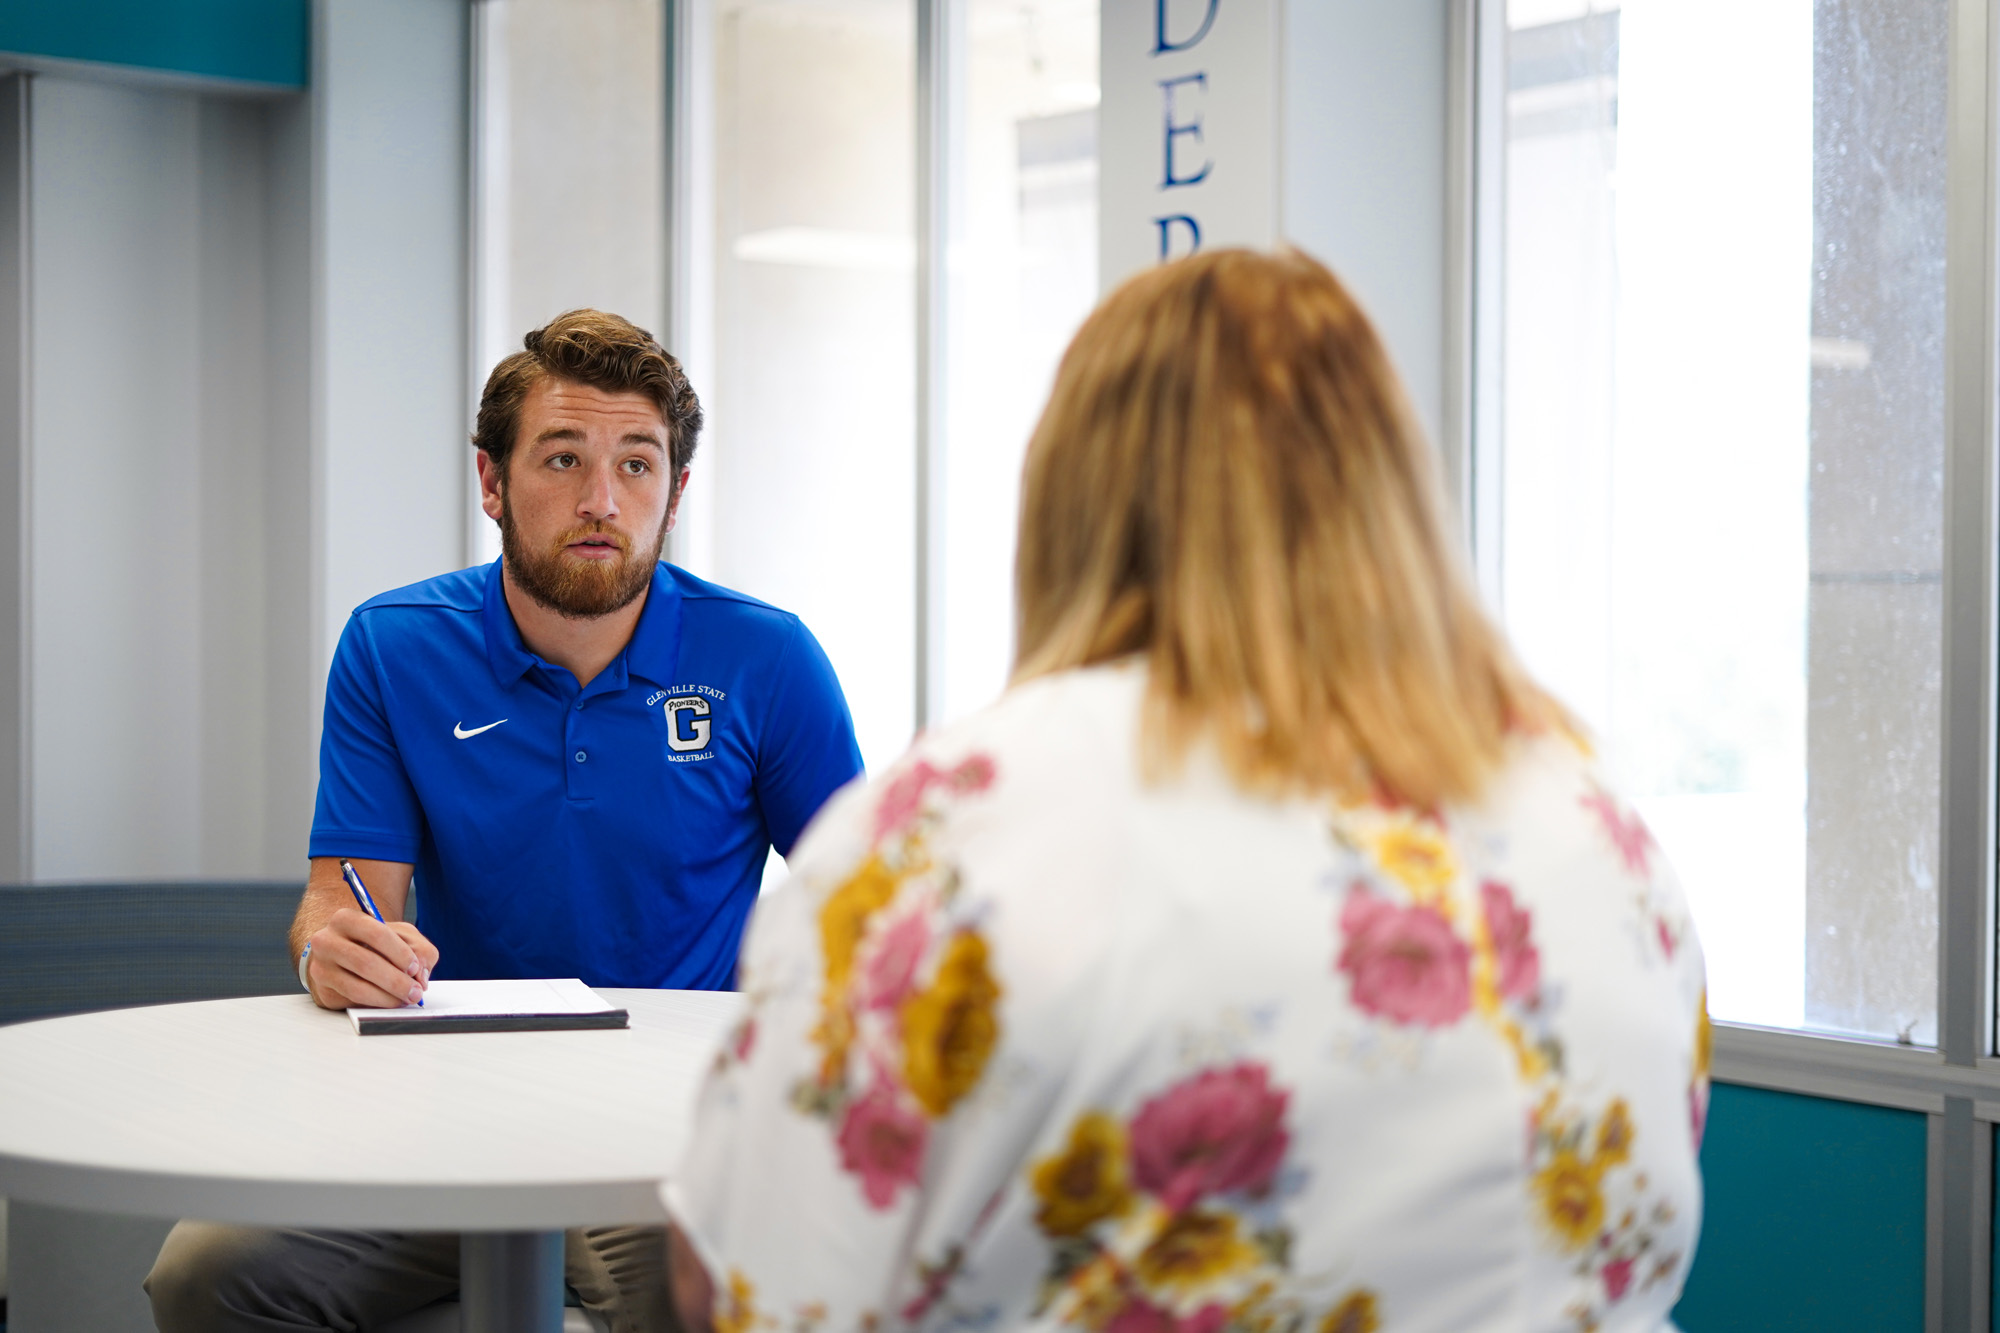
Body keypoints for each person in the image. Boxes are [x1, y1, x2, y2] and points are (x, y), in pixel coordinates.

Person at [662, 250, 1711, 1332]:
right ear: (1396, 489)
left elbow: (759, 1287)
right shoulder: (1595, 827)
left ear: (1065, 499)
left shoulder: (949, 829)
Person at [146, 309, 864, 1333]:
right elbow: (337, 903)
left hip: (670, 1128)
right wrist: (330, 954)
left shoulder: (765, 658)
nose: (602, 500)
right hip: (443, 1109)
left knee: (718, 1305)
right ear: (491, 482)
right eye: (562, 459)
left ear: (676, 493)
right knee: (207, 1273)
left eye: (637, 465)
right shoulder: (394, 647)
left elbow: (872, 908)